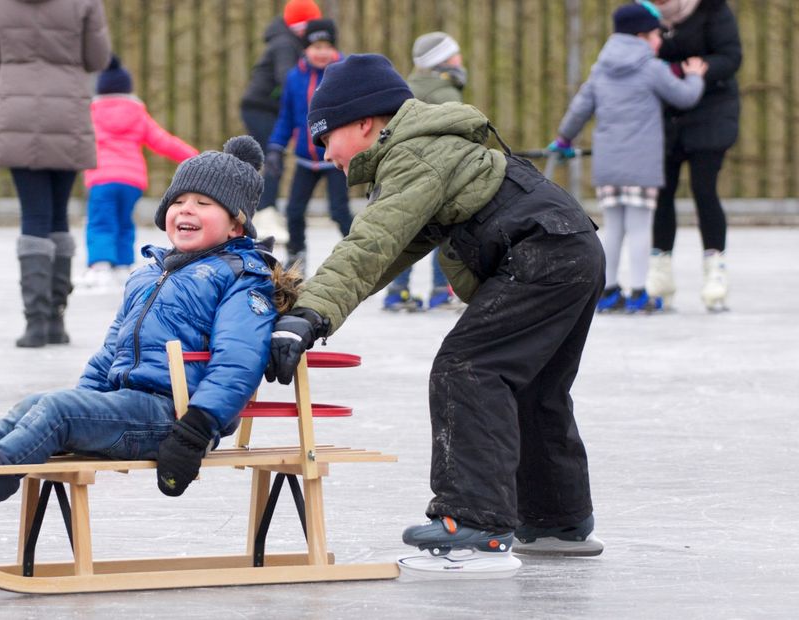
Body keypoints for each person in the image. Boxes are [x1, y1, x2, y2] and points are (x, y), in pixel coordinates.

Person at [265, 54, 606, 577]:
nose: (323, 151)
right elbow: (379, 259)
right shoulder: (434, 153)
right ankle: (557, 520)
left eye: (324, 136)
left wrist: (307, 316)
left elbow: (370, 241)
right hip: (572, 247)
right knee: (536, 386)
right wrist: (309, 309)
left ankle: (475, 522)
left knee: (468, 368)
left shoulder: (415, 156)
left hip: (541, 254)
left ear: (363, 123)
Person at [0, 137, 299, 543]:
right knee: (35, 405)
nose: (186, 210)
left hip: (174, 419)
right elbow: (111, 350)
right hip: (130, 406)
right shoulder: (152, 272)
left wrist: (196, 429)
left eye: (204, 204)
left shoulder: (242, 278)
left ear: (235, 225)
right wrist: (82, 405)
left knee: (57, 411)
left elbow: (238, 362)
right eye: (179, 201)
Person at [552, 3, 705, 314]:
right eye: (655, 34)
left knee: (615, 227)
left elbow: (580, 108)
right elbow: (684, 97)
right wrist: (695, 77)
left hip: (608, 165)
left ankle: (607, 291)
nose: (659, 40)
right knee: (639, 228)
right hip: (641, 164)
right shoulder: (651, 68)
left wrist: (564, 139)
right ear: (641, 36)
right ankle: (638, 292)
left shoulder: (600, 67)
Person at [0, 0, 111, 348]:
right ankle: (55, 320)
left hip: (17, 112)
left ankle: (35, 322)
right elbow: (98, 58)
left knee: (33, 215)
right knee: (57, 215)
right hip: (66, 111)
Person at [648, 0, 742, 312]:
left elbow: (730, 57)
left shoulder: (712, 9)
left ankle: (715, 271)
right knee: (662, 193)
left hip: (712, 110)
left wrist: (695, 68)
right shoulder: (643, 15)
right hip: (664, 113)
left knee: (704, 189)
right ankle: (660, 275)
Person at [80, 55, 199, 291]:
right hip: (132, 181)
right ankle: (124, 265)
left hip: (101, 178)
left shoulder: (91, 114)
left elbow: (75, 143)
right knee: (124, 221)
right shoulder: (137, 114)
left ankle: (101, 267)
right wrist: (195, 156)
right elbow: (163, 141)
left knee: (101, 222)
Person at [383, 32, 467, 312]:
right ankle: (441, 292)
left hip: (407, 170)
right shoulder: (444, 93)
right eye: (455, 55)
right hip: (438, 171)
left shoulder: (408, 87)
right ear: (442, 62)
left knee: (409, 232)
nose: (460, 60)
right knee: (444, 230)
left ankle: (397, 290)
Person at [265, 18, 352, 270]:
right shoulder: (294, 78)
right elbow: (286, 117)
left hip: (336, 158)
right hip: (305, 158)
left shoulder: (345, 74)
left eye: (327, 46)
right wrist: (275, 147)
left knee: (339, 211)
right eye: (316, 47)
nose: (322, 52)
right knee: (293, 211)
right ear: (305, 49)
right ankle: (297, 254)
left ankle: (359, 252)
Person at [240, 0, 323, 245]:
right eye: (302, 26)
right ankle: (265, 214)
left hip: (269, 108)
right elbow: (288, 79)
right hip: (260, 108)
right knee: (272, 157)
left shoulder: (291, 40)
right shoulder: (285, 43)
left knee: (270, 158)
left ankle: (264, 210)